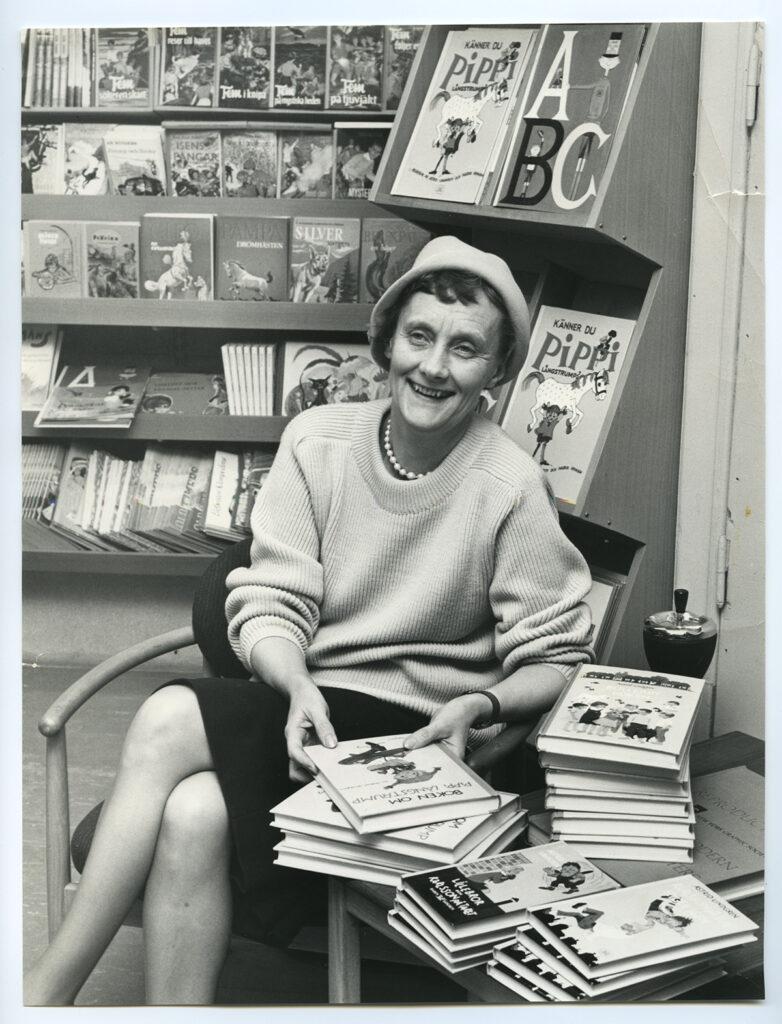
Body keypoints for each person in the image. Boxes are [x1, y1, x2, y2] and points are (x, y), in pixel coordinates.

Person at [25, 236, 594, 1005]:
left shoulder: (512, 484)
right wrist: (293, 685)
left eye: (465, 349)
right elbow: (271, 597)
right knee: (194, 810)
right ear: (387, 340)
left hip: (419, 739)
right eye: (419, 337)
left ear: (495, 373)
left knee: (166, 717)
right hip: (312, 710)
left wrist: (481, 704)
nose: (433, 366)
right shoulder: (316, 441)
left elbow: (557, 657)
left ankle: (43, 996)